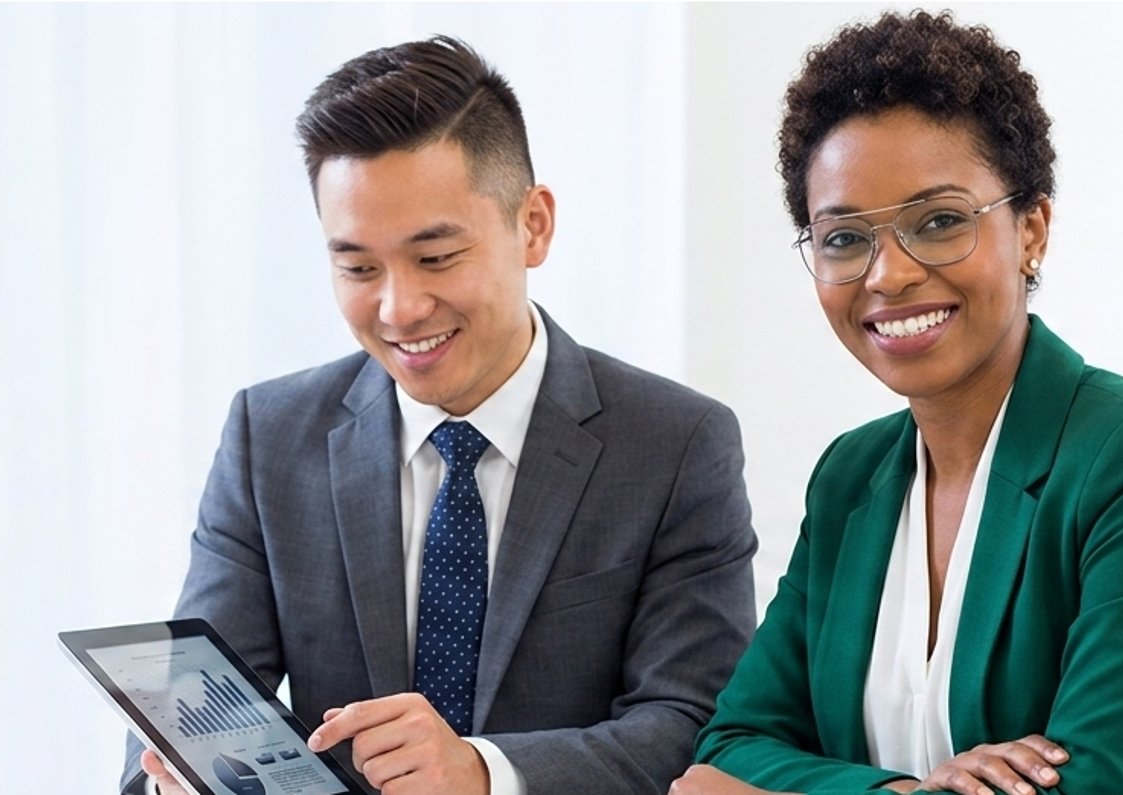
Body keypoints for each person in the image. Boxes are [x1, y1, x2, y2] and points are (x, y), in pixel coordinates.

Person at [123, 36, 759, 795]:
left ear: (534, 225)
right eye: (358, 266)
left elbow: (694, 722)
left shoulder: (675, 443)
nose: (398, 308)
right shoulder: (270, 436)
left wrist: (485, 772)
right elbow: (191, 705)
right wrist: (176, 778)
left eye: (434, 257)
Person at [673, 11, 1123, 795]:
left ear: (1033, 230)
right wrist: (903, 791)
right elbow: (731, 745)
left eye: (940, 221)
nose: (889, 275)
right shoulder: (850, 476)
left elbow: (1108, 783)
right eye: (845, 238)